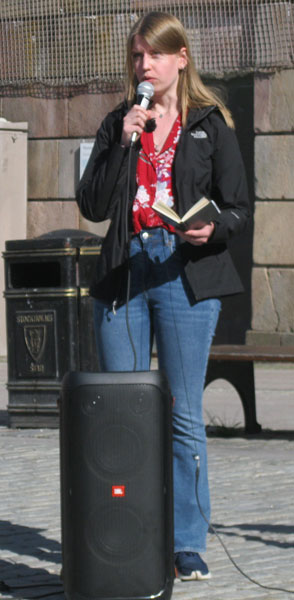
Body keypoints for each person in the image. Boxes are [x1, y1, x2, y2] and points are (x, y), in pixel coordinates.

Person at [76, 11, 250, 581]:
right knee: (120, 416)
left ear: (180, 58)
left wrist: (213, 227)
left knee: (180, 414)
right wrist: (122, 138)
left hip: (184, 272)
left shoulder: (210, 125)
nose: (143, 65)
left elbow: (239, 207)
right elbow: (95, 205)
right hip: (125, 271)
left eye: (153, 54)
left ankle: (186, 543)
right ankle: (122, 537)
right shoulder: (117, 124)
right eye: (136, 56)